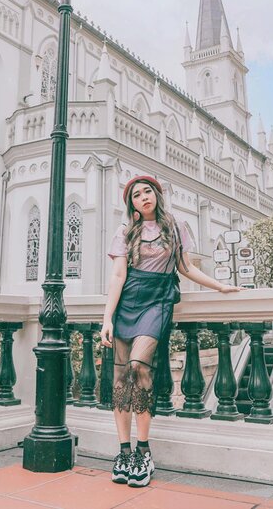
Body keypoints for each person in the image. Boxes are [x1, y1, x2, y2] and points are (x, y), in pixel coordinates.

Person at [101, 175, 242, 487]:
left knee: (138, 368)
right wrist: (107, 318)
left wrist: (219, 286)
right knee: (121, 380)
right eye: (136, 195)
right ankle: (124, 452)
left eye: (147, 191)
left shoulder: (175, 225)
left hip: (158, 300)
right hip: (129, 300)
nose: (143, 197)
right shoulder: (125, 231)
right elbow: (118, 274)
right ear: (132, 204)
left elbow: (186, 267)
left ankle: (144, 451)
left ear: (156, 194)